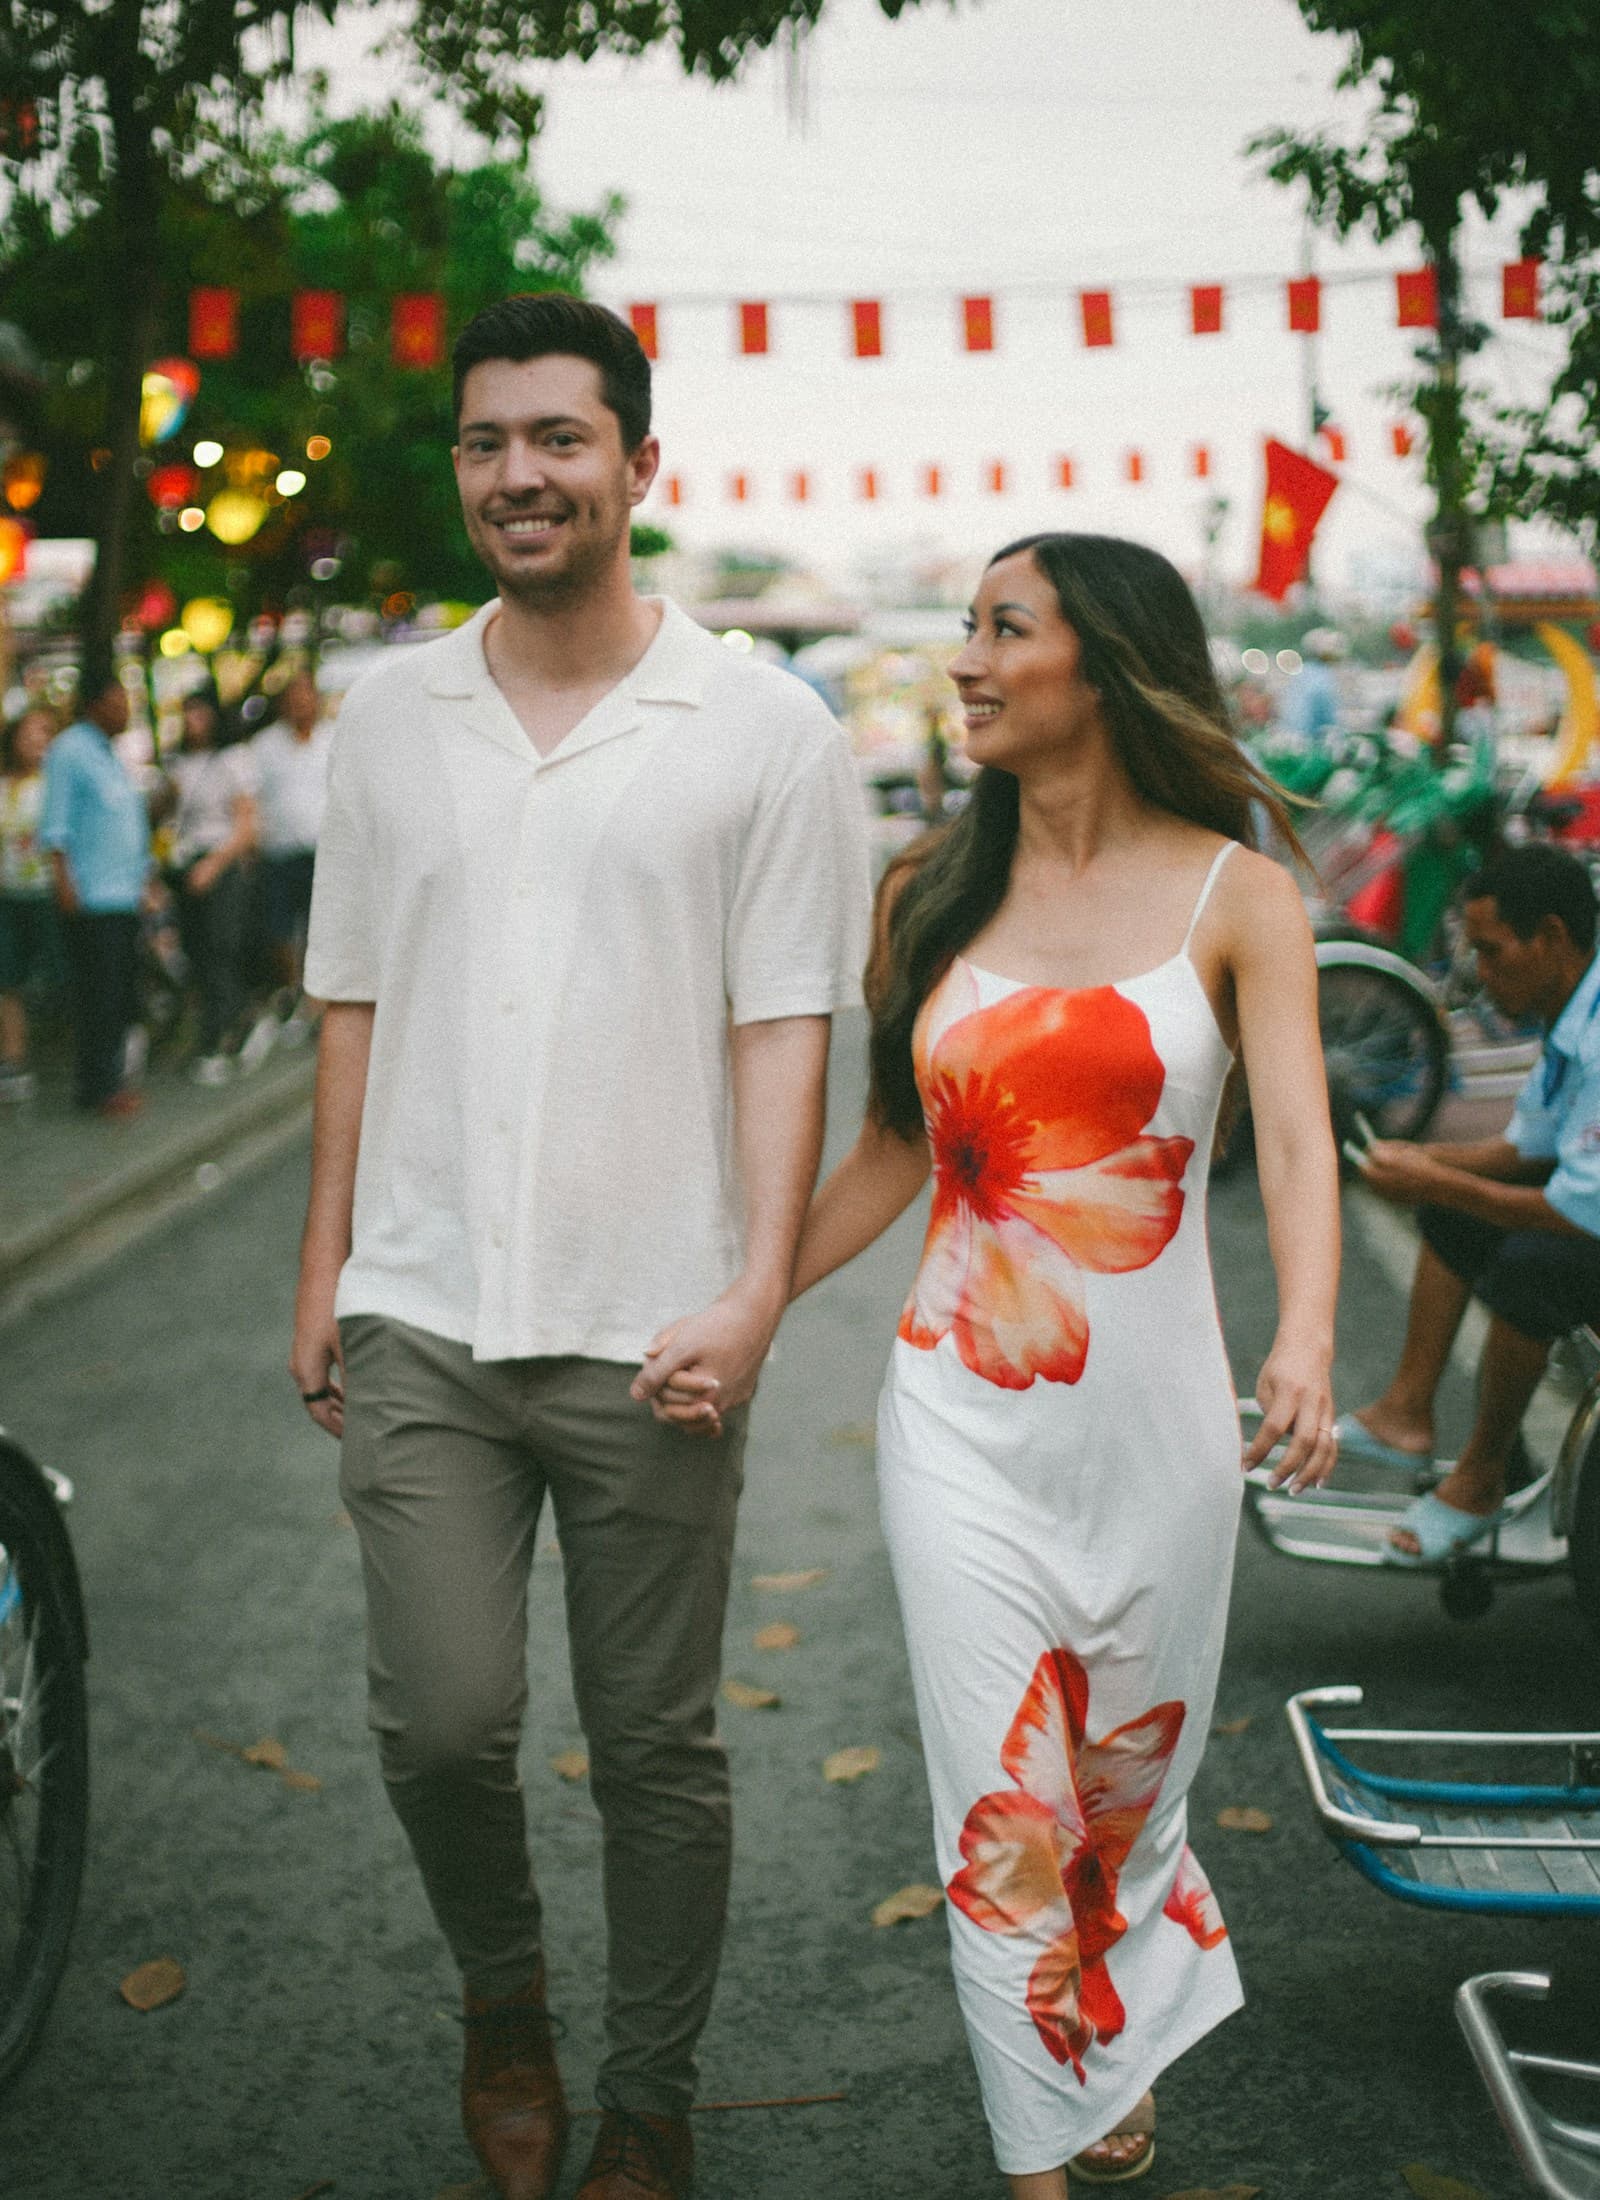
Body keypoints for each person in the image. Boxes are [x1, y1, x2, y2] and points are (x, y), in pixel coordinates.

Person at [645, 533, 1340, 2196]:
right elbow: (897, 1144)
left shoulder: (1239, 897)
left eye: (1000, 629)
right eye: (963, 626)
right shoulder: (931, 894)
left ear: (1097, 666)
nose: (964, 660)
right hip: (960, 1419)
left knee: (1123, 1798)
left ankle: (1107, 2001)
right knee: (1000, 1804)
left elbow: (1302, 1147)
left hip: (1160, 1430)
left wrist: (1308, 1338)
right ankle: (1038, 2143)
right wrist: (756, 1303)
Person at [290, 292, 869, 2200]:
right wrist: (325, 1271)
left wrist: (758, 1289)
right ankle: (506, 2001)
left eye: (558, 437)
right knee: (440, 1720)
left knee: (655, 1747)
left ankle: (649, 2102)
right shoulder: (389, 716)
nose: (520, 473)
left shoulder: (765, 734)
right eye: (487, 442)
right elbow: (353, 1002)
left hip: (655, 1325)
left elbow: (785, 1023)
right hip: (425, 1308)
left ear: (639, 461)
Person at [1335, 845, 1600, 1562]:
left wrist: (1434, 1177)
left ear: (1549, 936)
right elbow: (1526, 1150)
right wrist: (1428, 1162)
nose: (1481, 973)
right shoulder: (1571, 1010)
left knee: (1530, 1265)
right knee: (1455, 1213)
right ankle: (1405, 1411)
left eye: (1492, 950)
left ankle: (1480, 1476)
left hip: (1590, 1220)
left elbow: (1579, 1212)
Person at [39, 666, 150, 1118]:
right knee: (98, 996)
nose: (125, 708)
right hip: (92, 899)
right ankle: (97, 1087)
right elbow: (56, 827)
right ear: (96, 703)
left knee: (119, 993)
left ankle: (112, 1079)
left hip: (123, 895)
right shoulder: (70, 751)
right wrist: (66, 885)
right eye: (118, 699)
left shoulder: (109, 753)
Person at [164, 681, 259, 1084]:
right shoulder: (178, 762)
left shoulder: (233, 759)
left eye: (200, 712)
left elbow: (247, 825)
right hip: (184, 860)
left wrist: (214, 866)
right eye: (187, 713)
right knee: (195, 952)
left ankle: (223, 1036)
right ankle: (216, 1029)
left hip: (219, 863)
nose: (192, 721)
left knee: (220, 949)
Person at [249, 667, 331, 1043]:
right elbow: (252, 800)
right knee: (280, 930)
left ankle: (318, 1005)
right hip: (279, 853)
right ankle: (294, 993)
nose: (300, 703)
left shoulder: (333, 739)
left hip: (323, 852)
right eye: (292, 696)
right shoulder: (264, 747)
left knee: (322, 932)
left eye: (306, 694)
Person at [0, 702, 62, 1101]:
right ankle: (13, 1057)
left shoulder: (59, 784)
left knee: (58, 971)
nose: (37, 742)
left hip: (51, 893)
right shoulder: (4, 785)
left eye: (45, 734)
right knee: (7, 977)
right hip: (9, 895)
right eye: (28, 734)